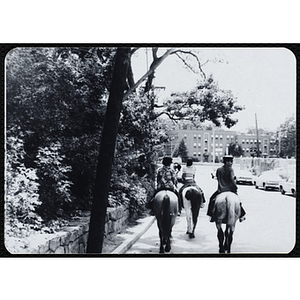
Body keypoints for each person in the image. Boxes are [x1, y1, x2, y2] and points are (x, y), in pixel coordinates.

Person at [207, 155, 246, 222]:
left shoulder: (219, 170)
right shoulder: (230, 169)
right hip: (230, 190)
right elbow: (231, 179)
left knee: (211, 200)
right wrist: (235, 187)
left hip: (220, 190)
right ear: (226, 162)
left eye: (231, 161)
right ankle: (242, 215)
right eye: (230, 162)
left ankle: (210, 215)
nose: (231, 163)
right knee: (238, 202)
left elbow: (218, 178)